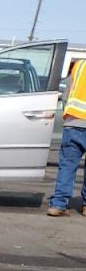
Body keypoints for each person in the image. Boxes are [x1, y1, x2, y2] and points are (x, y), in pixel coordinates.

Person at [47, 58, 86, 216]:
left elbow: (65, 96)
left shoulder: (80, 66)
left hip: (74, 123)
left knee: (67, 166)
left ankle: (58, 204)